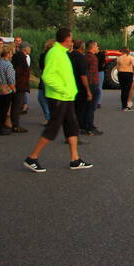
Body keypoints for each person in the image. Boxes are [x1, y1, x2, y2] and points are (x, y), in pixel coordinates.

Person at [23, 28, 92, 172]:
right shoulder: (55, 53)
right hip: (58, 97)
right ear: (66, 40)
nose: (72, 41)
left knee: (72, 126)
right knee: (53, 128)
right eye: (71, 38)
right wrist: (63, 90)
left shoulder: (62, 53)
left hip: (66, 97)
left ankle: (75, 159)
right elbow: (47, 76)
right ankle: (32, 157)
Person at [0, 46, 17, 136]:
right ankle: (0, 127)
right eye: (11, 53)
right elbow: (10, 78)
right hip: (6, 90)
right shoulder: (8, 65)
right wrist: (13, 88)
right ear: (8, 54)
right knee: (4, 110)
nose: (12, 55)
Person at [70, 39, 90, 134]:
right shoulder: (82, 58)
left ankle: (70, 132)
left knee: (71, 111)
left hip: (69, 86)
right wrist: (88, 90)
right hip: (79, 87)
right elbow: (83, 76)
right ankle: (76, 132)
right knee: (79, 111)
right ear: (82, 47)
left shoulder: (68, 56)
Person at [83, 41, 103, 135]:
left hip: (87, 84)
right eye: (97, 46)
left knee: (86, 107)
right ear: (93, 47)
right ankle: (90, 128)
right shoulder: (93, 58)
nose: (98, 48)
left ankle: (86, 125)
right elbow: (90, 74)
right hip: (92, 84)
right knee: (91, 107)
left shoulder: (85, 56)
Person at [37, 38, 55, 123]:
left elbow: (41, 66)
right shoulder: (54, 55)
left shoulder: (44, 55)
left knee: (42, 97)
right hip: (50, 78)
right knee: (46, 97)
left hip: (46, 77)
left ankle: (49, 117)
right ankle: (50, 117)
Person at [13, 42, 31, 115]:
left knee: (17, 103)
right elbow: (21, 71)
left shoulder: (20, 56)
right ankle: (15, 123)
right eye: (29, 48)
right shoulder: (22, 57)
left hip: (19, 83)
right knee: (17, 104)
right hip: (20, 84)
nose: (30, 49)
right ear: (25, 49)